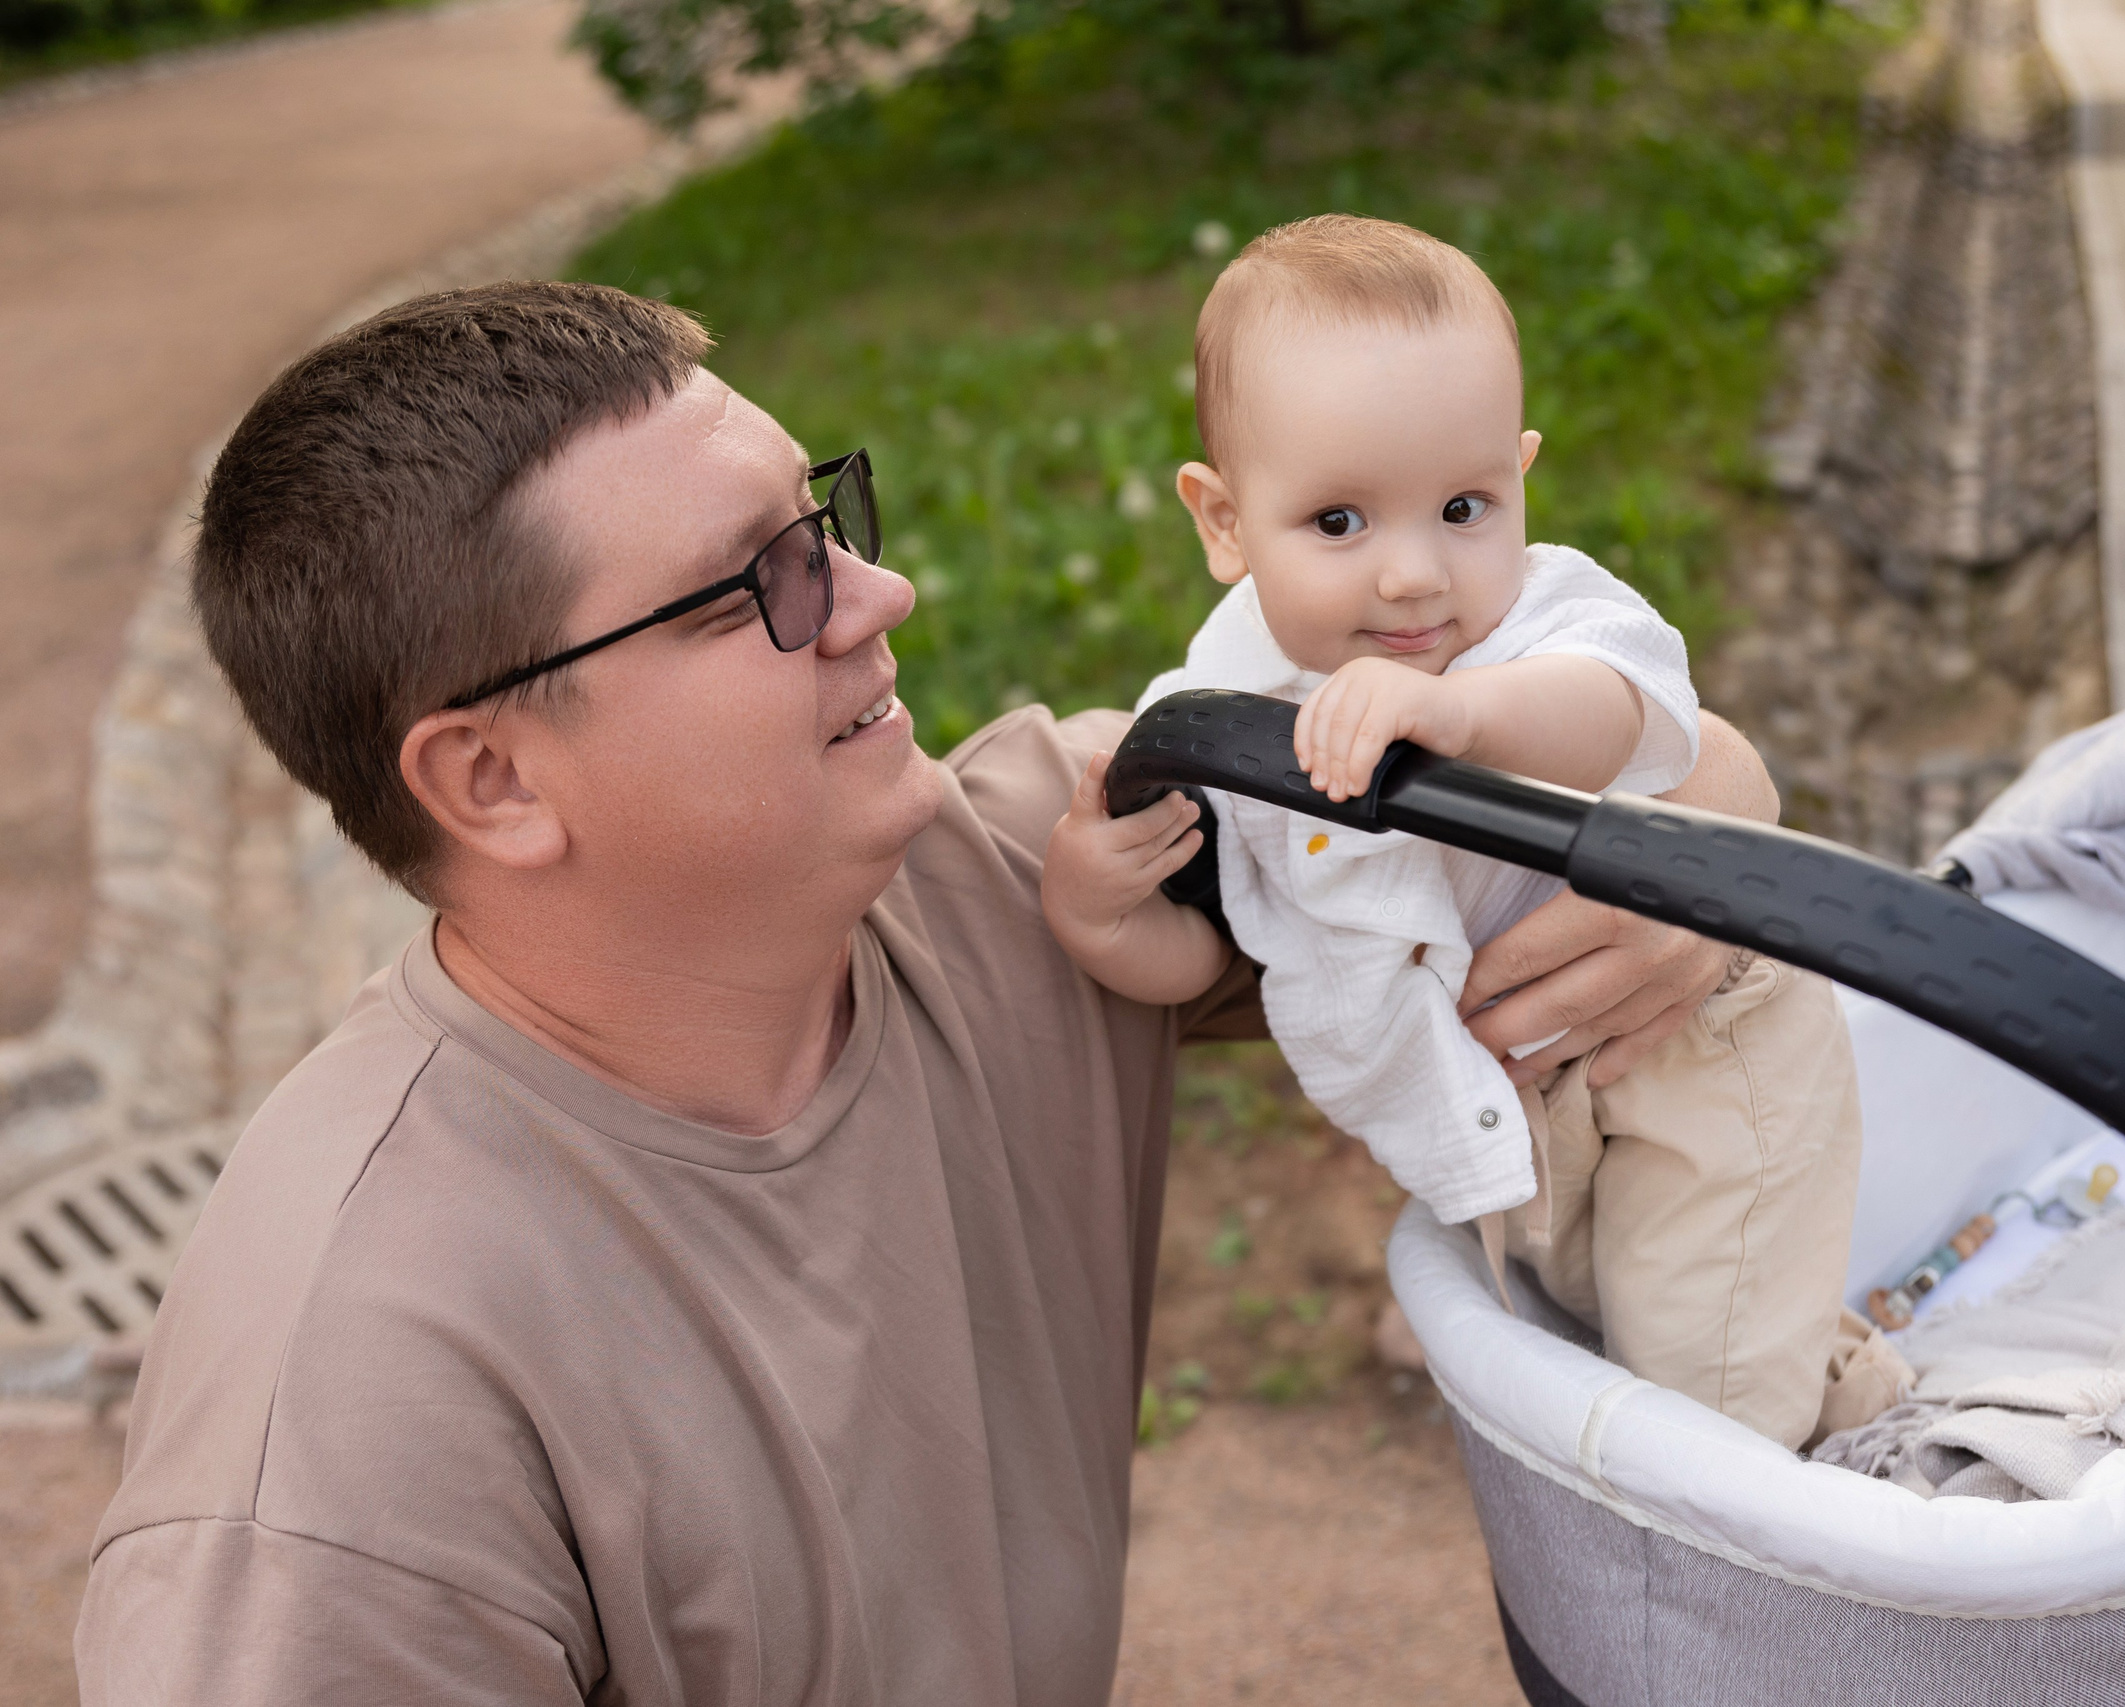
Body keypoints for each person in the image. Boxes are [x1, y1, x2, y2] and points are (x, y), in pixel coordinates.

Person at [75, 279, 1778, 1705]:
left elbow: (1646, 763)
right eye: (760, 583)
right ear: (494, 780)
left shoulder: (1024, 877)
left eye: (821, 519)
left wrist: (1704, 839)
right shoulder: (343, 1448)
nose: (881, 595)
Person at [1044, 217, 1900, 1451]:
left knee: (1704, 1402)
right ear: (1223, 521)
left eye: (1461, 506)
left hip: (1693, 1045)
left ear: (1519, 477)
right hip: (1525, 1092)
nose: (1413, 574)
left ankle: (1765, 1519)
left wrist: (1464, 715)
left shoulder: (1537, 625)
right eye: (1339, 522)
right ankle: (1852, 1405)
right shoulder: (1220, 711)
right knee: (1640, 1324)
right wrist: (1098, 915)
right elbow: (1218, 953)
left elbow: (1621, 709)